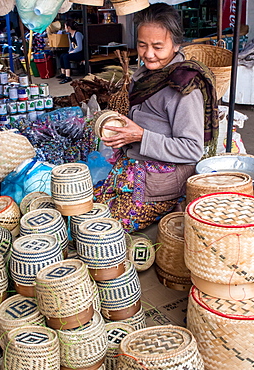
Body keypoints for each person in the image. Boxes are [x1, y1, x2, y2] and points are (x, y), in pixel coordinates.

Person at [94, 3, 219, 233]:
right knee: (87, 208)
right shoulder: (146, 74)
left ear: (176, 44)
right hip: (132, 166)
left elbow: (192, 149)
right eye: (142, 45)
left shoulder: (183, 87)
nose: (148, 54)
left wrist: (140, 136)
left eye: (158, 47)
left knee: (104, 227)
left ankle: (173, 205)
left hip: (160, 180)